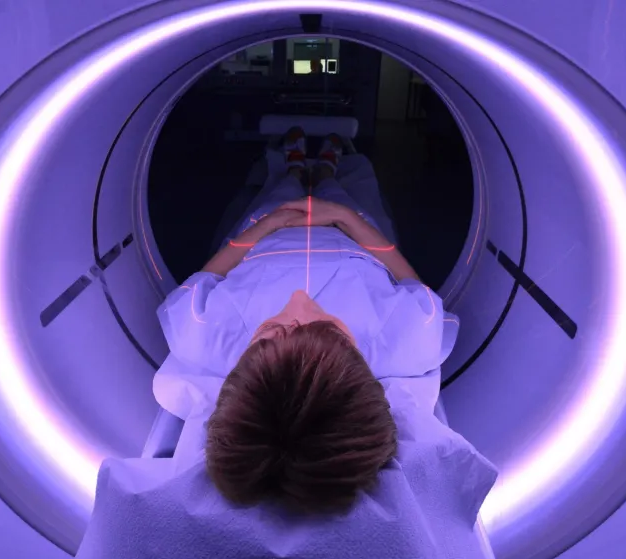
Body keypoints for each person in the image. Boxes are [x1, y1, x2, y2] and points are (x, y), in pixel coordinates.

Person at [155, 126, 461, 514]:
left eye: (271, 331)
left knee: (280, 195)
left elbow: (205, 279)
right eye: (328, 327)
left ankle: (296, 167)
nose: (299, 304)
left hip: (267, 240)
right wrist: (347, 219)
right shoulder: (406, 340)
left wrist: (267, 226)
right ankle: (329, 170)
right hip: (350, 240)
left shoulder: (203, 337)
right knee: (340, 194)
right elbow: (410, 283)